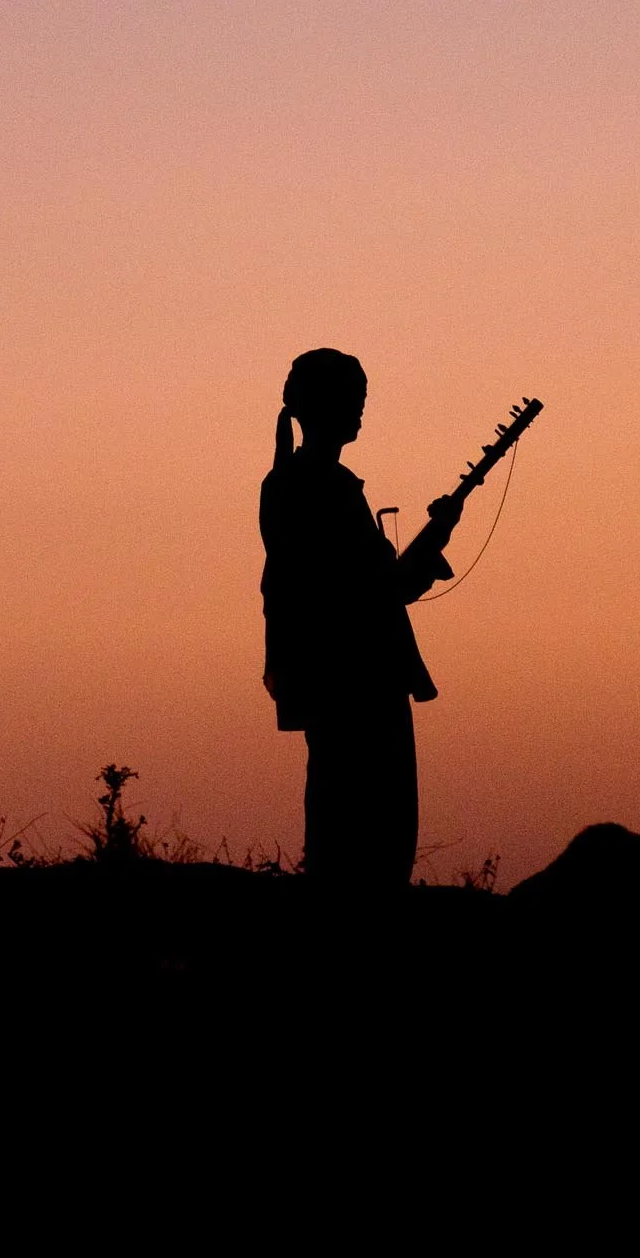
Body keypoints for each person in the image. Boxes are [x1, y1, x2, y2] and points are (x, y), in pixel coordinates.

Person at [260, 349, 460, 890]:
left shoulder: (301, 486)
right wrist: (435, 539)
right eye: (354, 399)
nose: (360, 411)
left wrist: (430, 542)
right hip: (356, 685)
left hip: (341, 683)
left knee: (350, 828)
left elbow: (372, 592)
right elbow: (368, 597)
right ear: (322, 406)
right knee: (369, 839)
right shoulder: (316, 490)